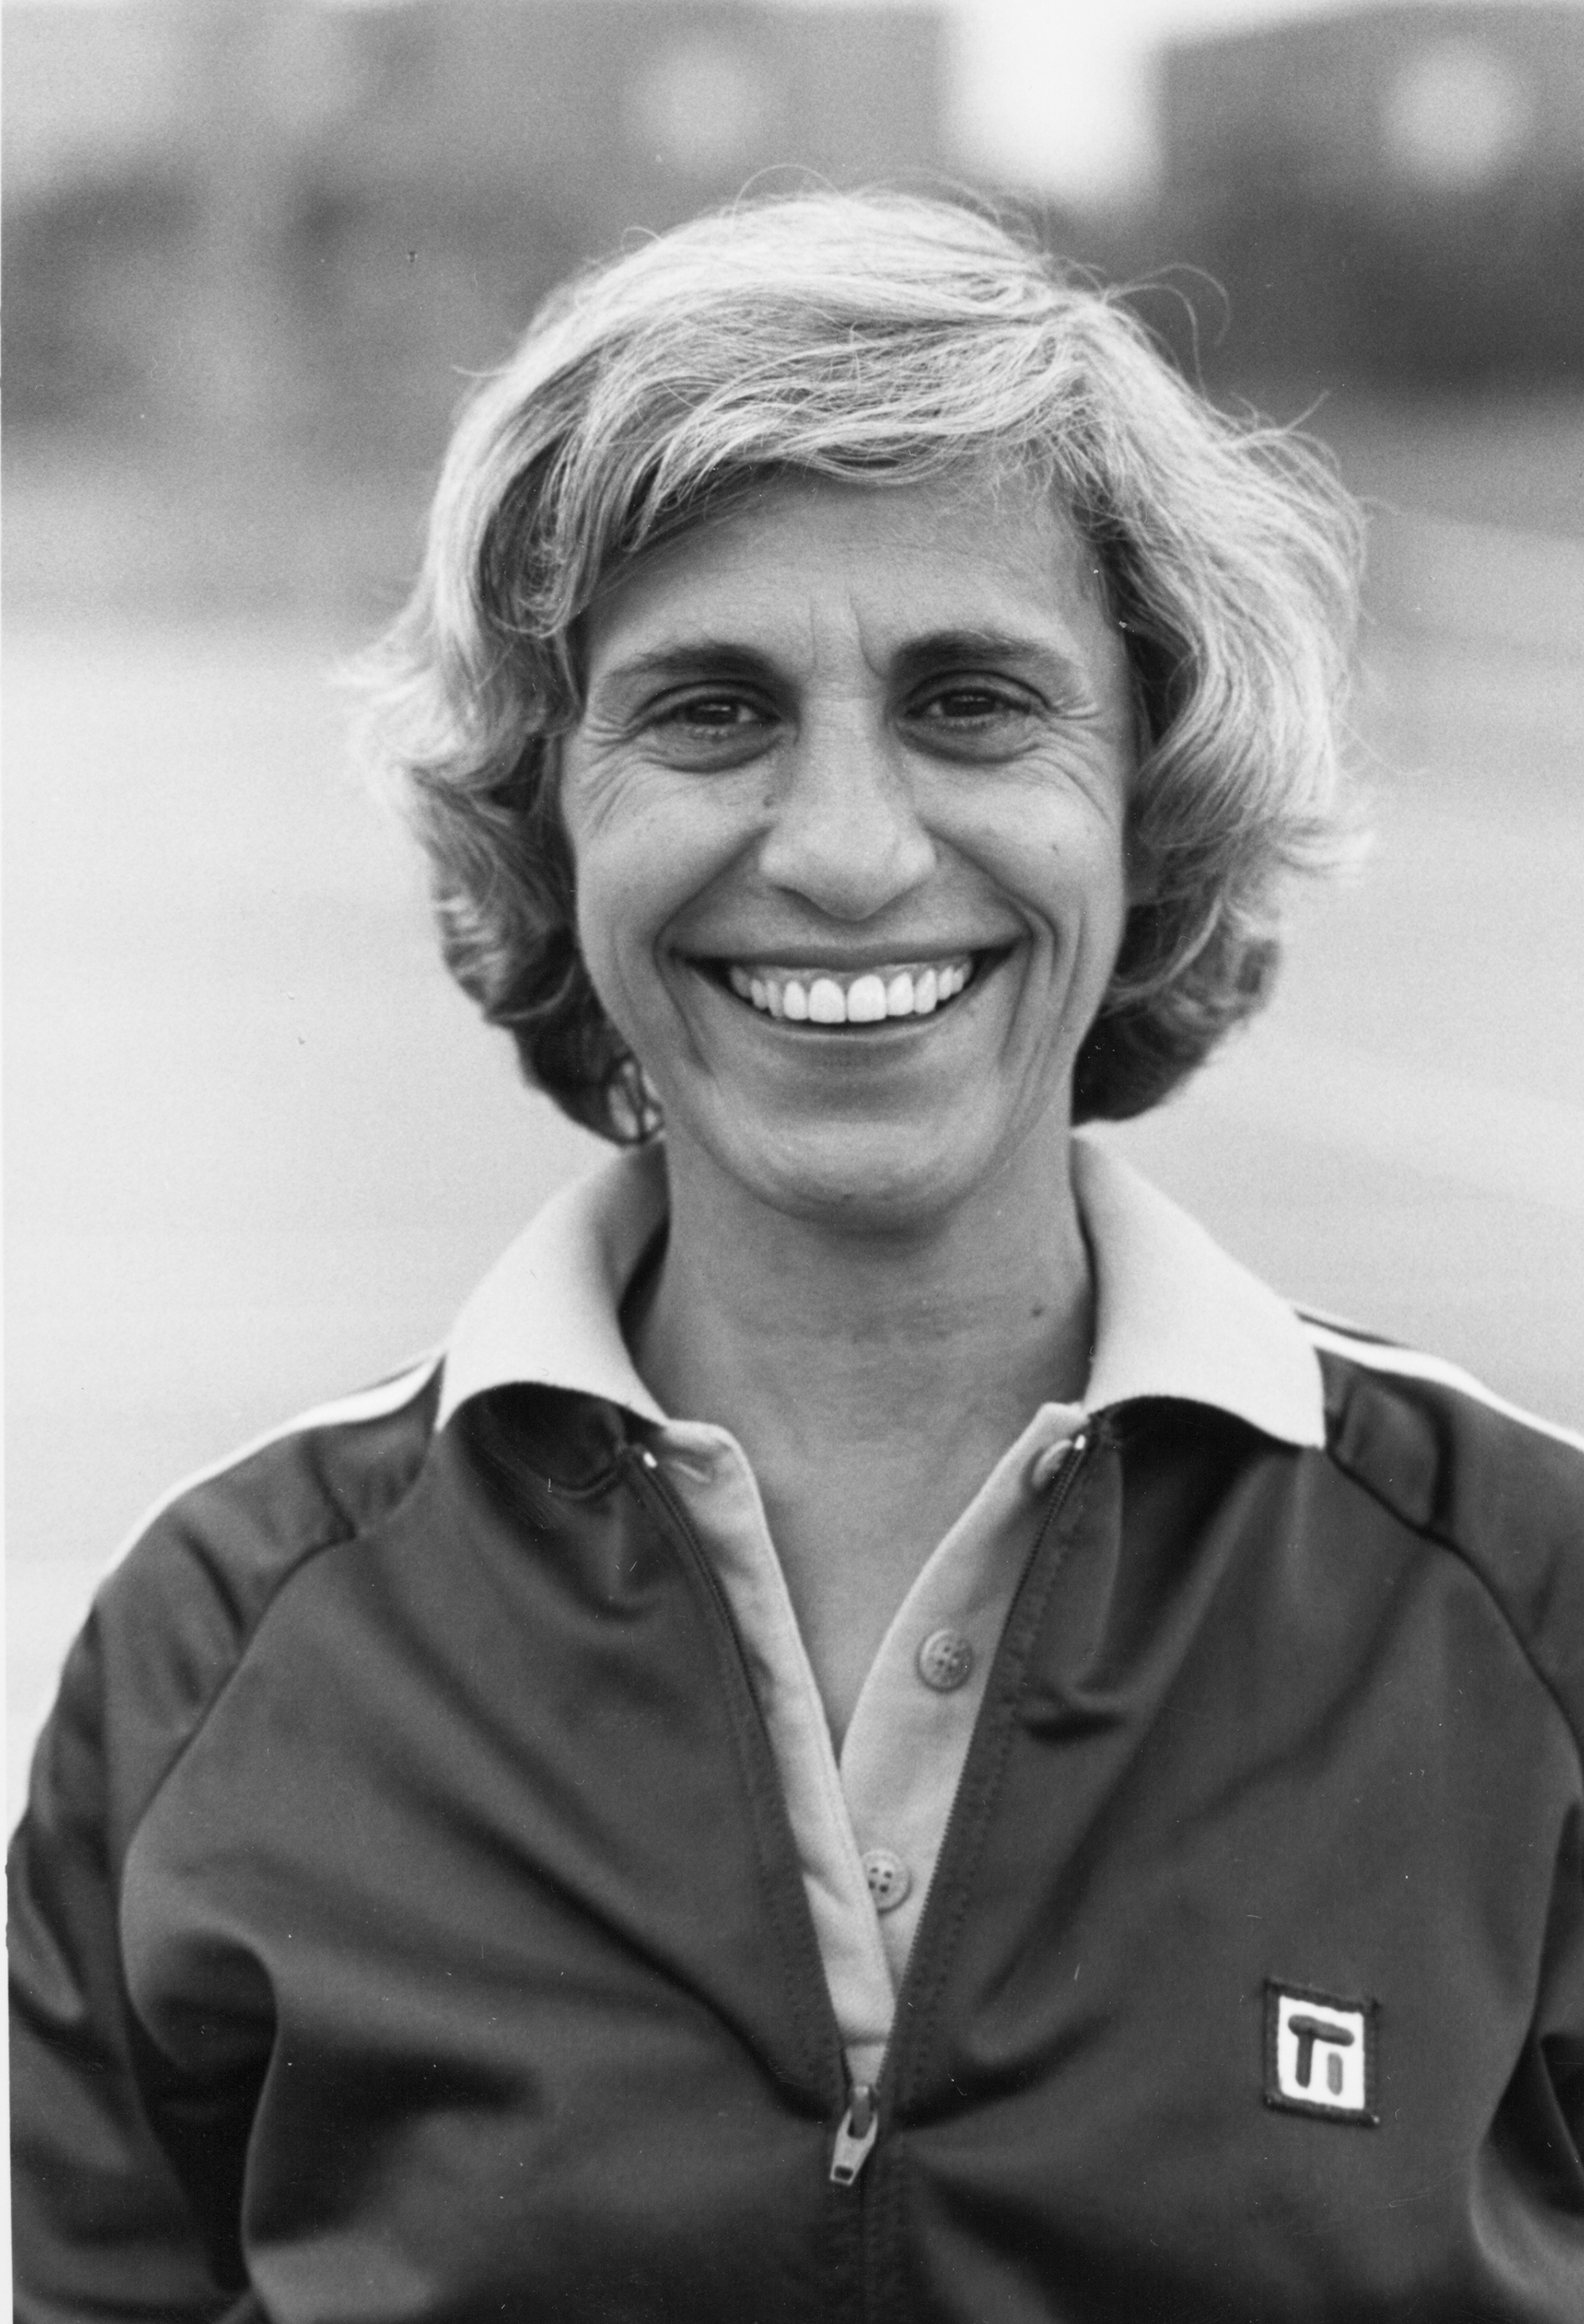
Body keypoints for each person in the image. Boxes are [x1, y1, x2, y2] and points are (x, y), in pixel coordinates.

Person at [10, 191, 1583, 2323]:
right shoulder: (215, 1649)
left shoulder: (1536, 1599)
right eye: (709, 712)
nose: (846, 850)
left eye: (972, 702)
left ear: (1150, 799)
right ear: (544, 818)